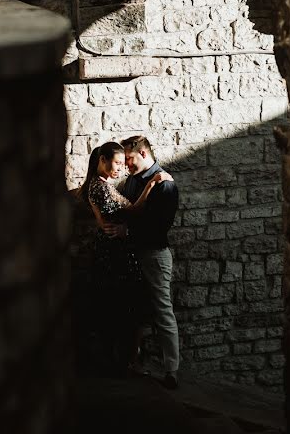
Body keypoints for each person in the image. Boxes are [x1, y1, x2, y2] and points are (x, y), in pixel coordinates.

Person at [80, 141, 172, 377]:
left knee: (121, 306)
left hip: (112, 252)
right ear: (102, 160)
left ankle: (124, 361)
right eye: (118, 163)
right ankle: (126, 363)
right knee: (127, 307)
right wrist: (151, 185)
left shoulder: (100, 185)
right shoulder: (100, 187)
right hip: (114, 256)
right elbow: (131, 211)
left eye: (124, 163)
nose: (121, 168)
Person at [119, 135, 181, 390]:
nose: (126, 166)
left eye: (129, 159)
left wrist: (128, 232)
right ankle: (135, 362)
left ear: (143, 153)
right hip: (134, 254)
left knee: (162, 309)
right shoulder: (133, 181)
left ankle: (171, 370)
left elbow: (159, 227)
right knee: (135, 308)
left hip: (155, 255)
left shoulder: (166, 185)